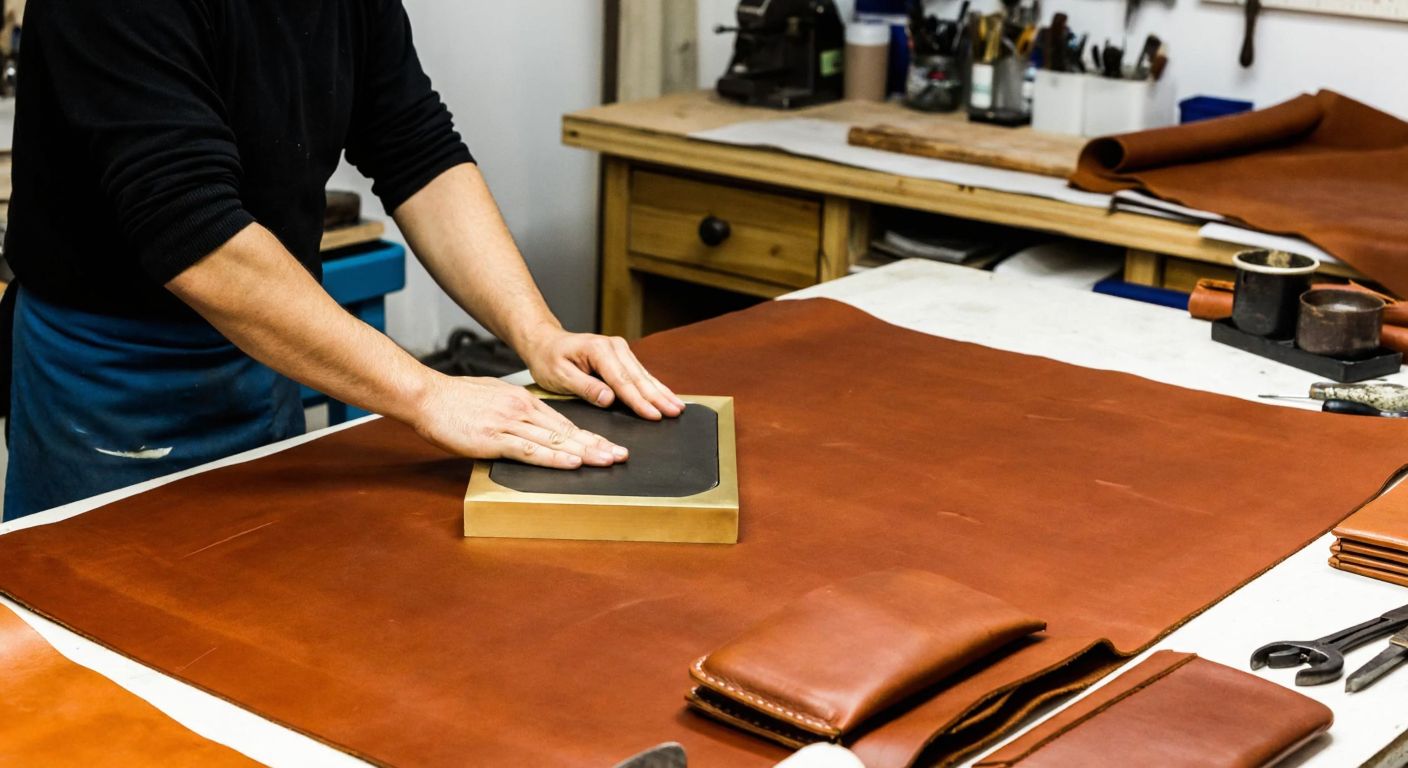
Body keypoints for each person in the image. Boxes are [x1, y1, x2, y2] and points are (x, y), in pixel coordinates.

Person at [1, 0, 683, 520]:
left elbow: (414, 146)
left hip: (268, 343)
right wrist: (426, 392)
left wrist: (536, 331)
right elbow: (192, 236)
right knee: (95, 653)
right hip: (109, 377)